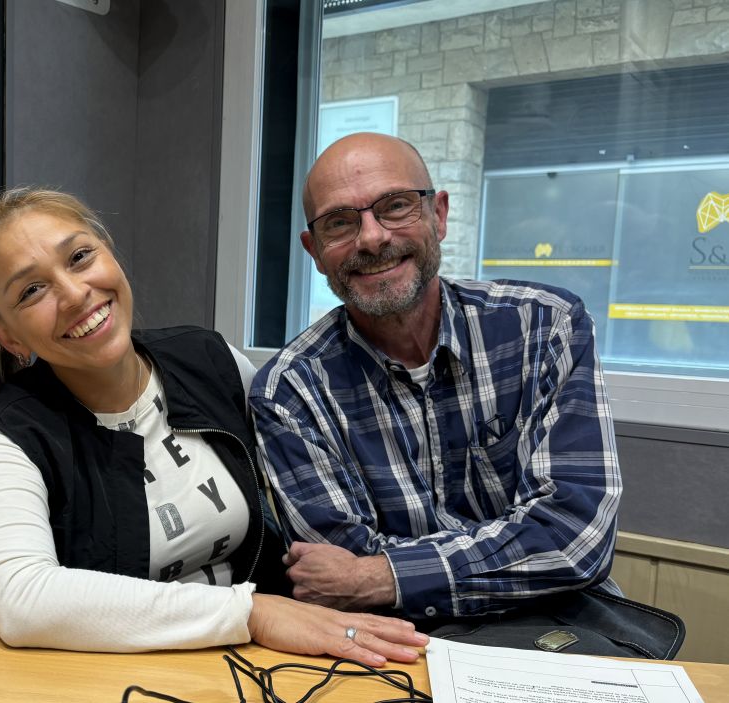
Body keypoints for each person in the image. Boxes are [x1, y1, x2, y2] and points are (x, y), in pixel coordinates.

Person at [0, 187, 428, 664]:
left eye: (80, 257)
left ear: (111, 256)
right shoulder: (2, 435)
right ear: (8, 336)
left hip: (257, 666)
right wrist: (251, 613)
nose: (73, 293)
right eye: (32, 290)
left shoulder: (209, 359)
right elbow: (24, 600)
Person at [250, 132, 682, 658]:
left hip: (565, 636)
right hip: (400, 653)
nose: (371, 238)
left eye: (394, 206)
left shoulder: (542, 328)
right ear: (314, 251)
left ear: (439, 215)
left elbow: (574, 537)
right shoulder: (289, 391)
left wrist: (384, 574)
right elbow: (337, 583)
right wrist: (516, 545)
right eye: (340, 222)